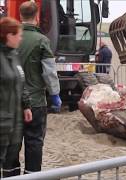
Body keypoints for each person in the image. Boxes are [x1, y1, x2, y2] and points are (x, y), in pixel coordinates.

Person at [3, 1, 62, 176]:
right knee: (34, 142)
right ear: (37, 16)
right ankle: (33, 176)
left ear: (20, 16)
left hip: (12, 103)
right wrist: (55, 94)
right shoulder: (42, 41)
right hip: (36, 103)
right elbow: (49, 73)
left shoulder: (10, 38)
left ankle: (9, 176)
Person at [0, 17, 32, 176]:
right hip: (2, 123)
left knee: (9, 164)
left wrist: (26, 105)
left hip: (14, 124)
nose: (21, 38)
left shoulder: (14, 55)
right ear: (8, 35)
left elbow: (21, 81)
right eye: (18, 35)